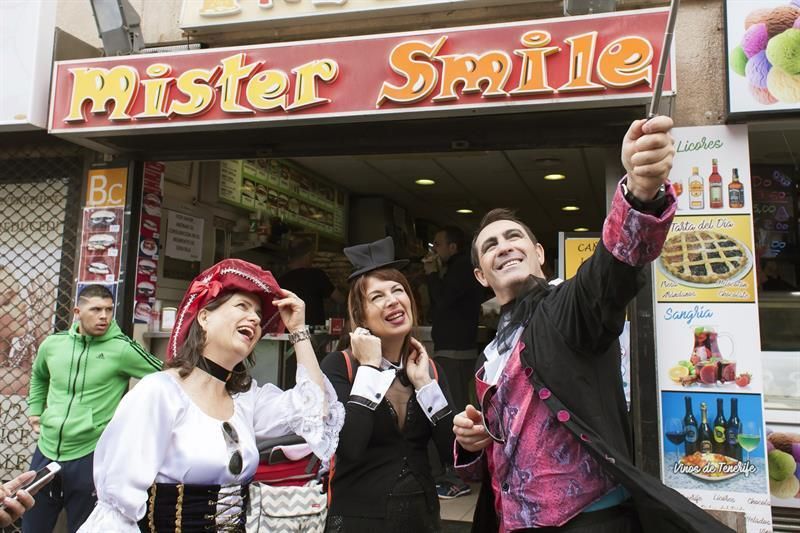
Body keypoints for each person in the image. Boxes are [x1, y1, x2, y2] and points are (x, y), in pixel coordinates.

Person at [452, 117, 732, 532]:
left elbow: (610, 271)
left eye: (514, 237)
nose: (504, 246)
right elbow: (489, 465)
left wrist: (639, 193)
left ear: (539, 253)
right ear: (481, 276)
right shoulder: (487, 358)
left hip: (592, 521)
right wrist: (471, 442)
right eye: (490, 246)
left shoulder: (567, 308)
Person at [76, 259, 344, 532]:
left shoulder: (245, 399)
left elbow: (314, 408)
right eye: (242, 306)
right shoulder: (159, 393)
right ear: (204, 317)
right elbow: (117, 510)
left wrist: (298, 330)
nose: (254, 318)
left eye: (258, 315)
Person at [321, 236, 455, 533]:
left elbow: (452, 455)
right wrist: (368, 369)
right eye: (377, 296)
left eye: (398, 290)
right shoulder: (339, 367)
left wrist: (425, 386)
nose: (393, 300)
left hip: (423, 519)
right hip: (357, 521)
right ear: (360, 315)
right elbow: (349, 447)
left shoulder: (428, 369)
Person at [24, 284, 162, 533]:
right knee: (32, 526)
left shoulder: (122, 348)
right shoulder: (53, 345)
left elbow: (167, 376)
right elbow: (39, 375)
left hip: (91, 454)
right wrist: (35, 408)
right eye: (96, 309)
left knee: (85, 528)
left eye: (109, 310)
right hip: (46, 448)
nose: (104, 317)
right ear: (77, 311)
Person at [424, 226, 485, 499]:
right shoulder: (461, 268)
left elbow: (442, 300)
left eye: (437, 243)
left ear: (453, 247)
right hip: (460, 348)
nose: (434, 248)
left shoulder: (459, 270)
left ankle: (458, 468)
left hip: (454, 350)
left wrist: (430, 275)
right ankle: (462, 466)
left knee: (451, 409)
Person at [279, 238, 345, 327]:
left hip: (288, 331)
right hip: (312, 332)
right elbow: (340, 299)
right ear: (308, 256)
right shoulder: (316, 275)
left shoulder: (281, 279)